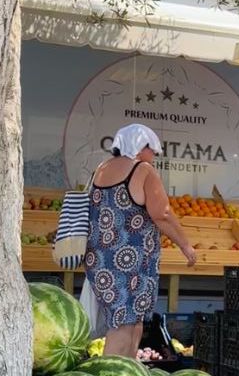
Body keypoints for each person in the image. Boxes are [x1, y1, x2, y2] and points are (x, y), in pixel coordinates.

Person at [83, 123, 197, 358]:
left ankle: (127, 375)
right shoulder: (142, 170)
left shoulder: (101, 169)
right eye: (152, 150)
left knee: (131, 322)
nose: (154, 156)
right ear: (140, 147)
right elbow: (162, 213)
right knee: (125, 325)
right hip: (130, 263)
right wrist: (185, 245)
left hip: (101, 260)